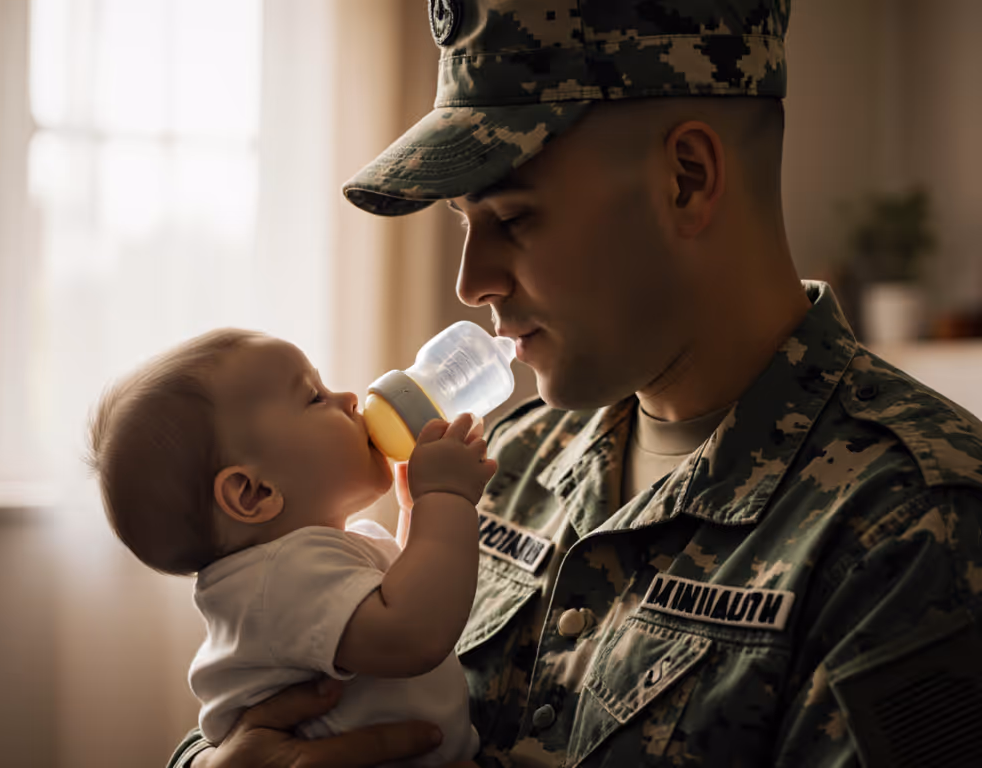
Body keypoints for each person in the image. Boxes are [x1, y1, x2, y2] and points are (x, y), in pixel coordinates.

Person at [168, 1, 982, 766]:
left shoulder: (916, 526)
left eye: (514, 218)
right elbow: (278, 700)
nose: (471, 282)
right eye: (465, 224)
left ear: (686, 179)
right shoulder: (508, 464)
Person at [87, 328, 497, 766]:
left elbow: (403, 594)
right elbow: (411, 635)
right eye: (315, 397)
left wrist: (417, 514)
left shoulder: (301, 566)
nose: (349, 398)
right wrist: (445, 500)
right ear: (254, 493)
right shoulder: (280, 578)